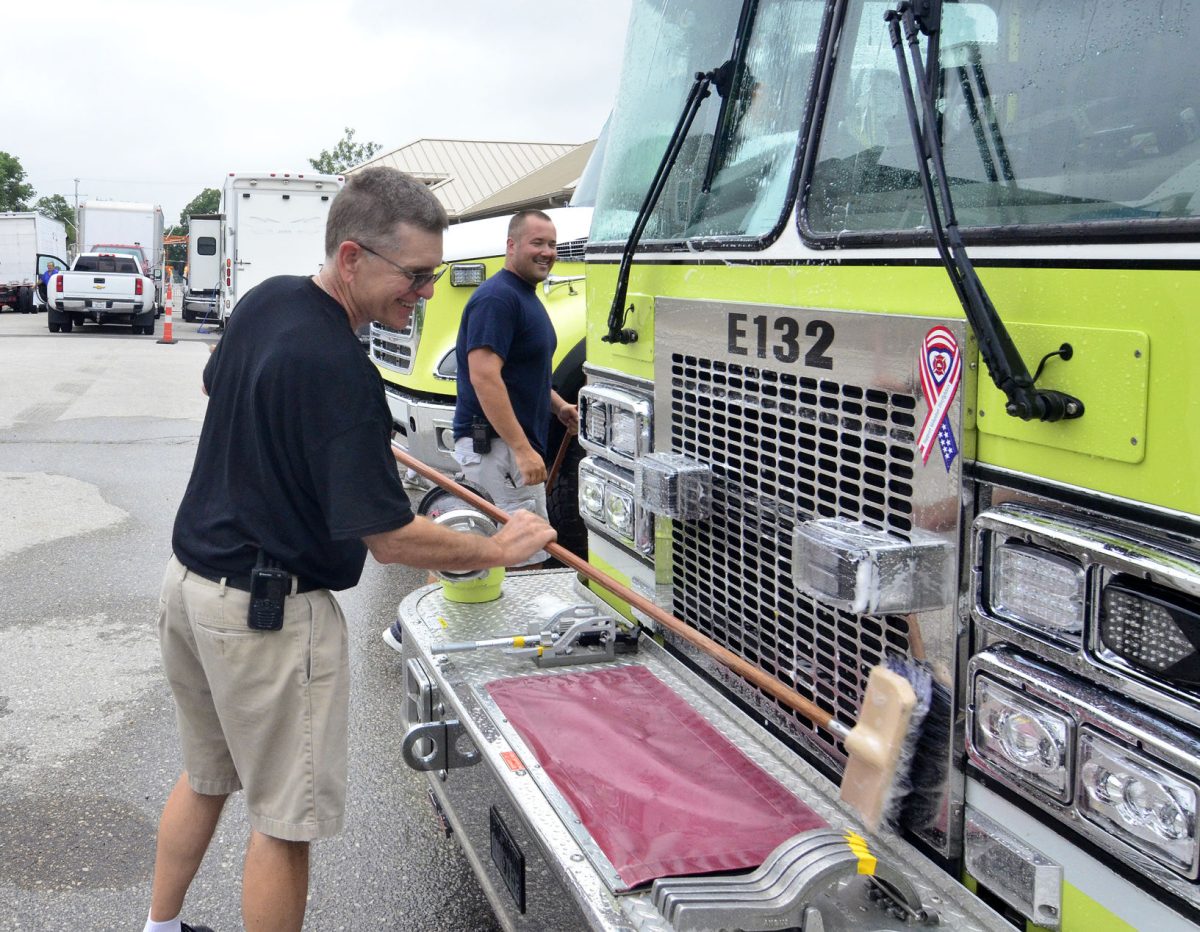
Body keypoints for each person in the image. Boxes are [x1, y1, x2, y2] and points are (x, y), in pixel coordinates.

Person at [144, 167, 555, 932]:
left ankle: (159, 929)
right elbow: (391, 541)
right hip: (265, 617)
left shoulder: (267, 301)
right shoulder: (340, 369)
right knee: (283, 823)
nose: (427, 293)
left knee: (205, 778)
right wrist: (501, 547)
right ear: (353, 258)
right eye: (417, 275)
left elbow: (224, 387)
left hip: (190, 588)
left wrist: (338, 447)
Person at [450, 209, 579, 567]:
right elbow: (484, 376)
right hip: (497, 449)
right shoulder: (497, 299)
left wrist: (558, 407)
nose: (547, 252)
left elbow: (519, 374)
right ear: (511, 245)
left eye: (552, 244)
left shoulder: (523, 296)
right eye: (537, 242)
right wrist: (521, 449)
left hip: (506, 449)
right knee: (522, 557)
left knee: (480, 553)